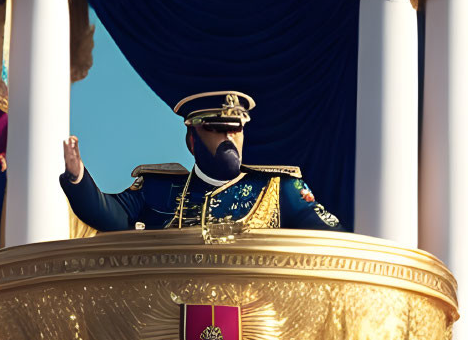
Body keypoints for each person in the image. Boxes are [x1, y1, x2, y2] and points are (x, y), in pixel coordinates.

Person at [60, 90, 342, 234]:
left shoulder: (281, 189)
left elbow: (333, 241)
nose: (229, 137)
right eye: (217, 130)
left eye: (236, 129)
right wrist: (77, 177)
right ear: (191, 139)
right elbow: (111, 216)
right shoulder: (157, 188)